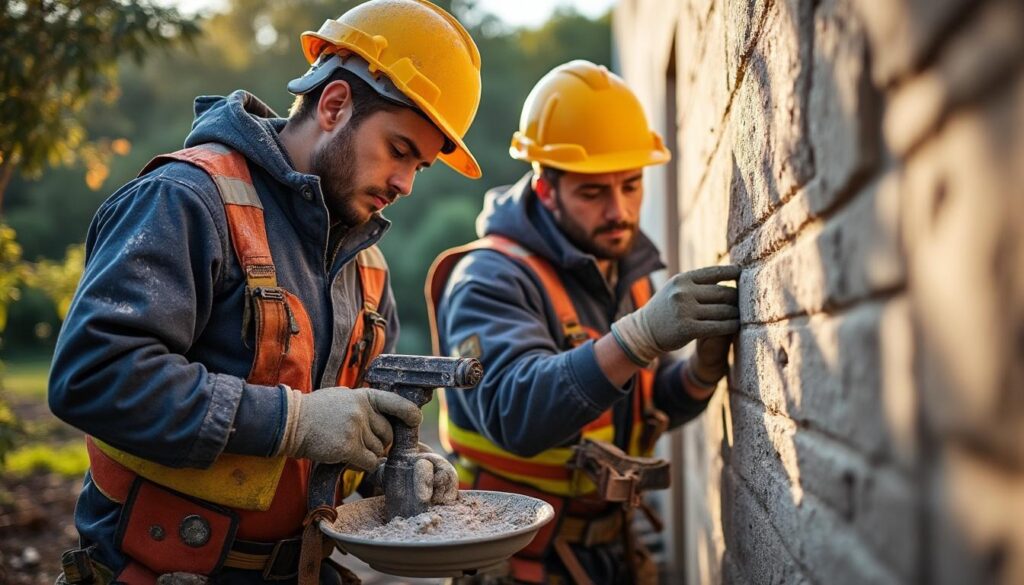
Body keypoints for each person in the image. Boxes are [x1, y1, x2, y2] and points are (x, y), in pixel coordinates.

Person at [47, 1, 482, 583]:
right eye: (400, 151)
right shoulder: (186, 200)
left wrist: (402, 466)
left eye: (420, 167)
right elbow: (92, 377)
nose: (405, 183)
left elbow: (352, 429)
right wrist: (292, 420)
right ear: (333, 106)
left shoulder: (367, 268)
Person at [427, 60, 741, 584]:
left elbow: (632, 410)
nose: (619, 211)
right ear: (545, 188)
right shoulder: (488, 278)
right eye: (594, 192)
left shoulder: (625, 273)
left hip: (611, 550)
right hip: (518, 562)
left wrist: (699, 375)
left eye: (632, 185)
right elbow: (515, 414)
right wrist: (639, 337)